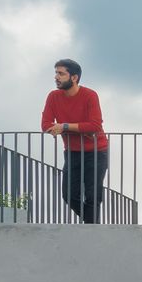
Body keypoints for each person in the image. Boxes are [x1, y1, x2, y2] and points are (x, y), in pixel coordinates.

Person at [42, 58, 108, 222]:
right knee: (69, 195)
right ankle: (93, 224)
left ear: (74, 77)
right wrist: (75, 129)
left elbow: (94, 126)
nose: (56, 77)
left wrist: (64, 127)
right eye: (56, 73)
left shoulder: (90, 95)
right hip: (72, 152)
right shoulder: (53, 96)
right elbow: (45, 125)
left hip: (96, 151)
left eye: (61, 73)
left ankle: (92, 229)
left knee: (93, 195)